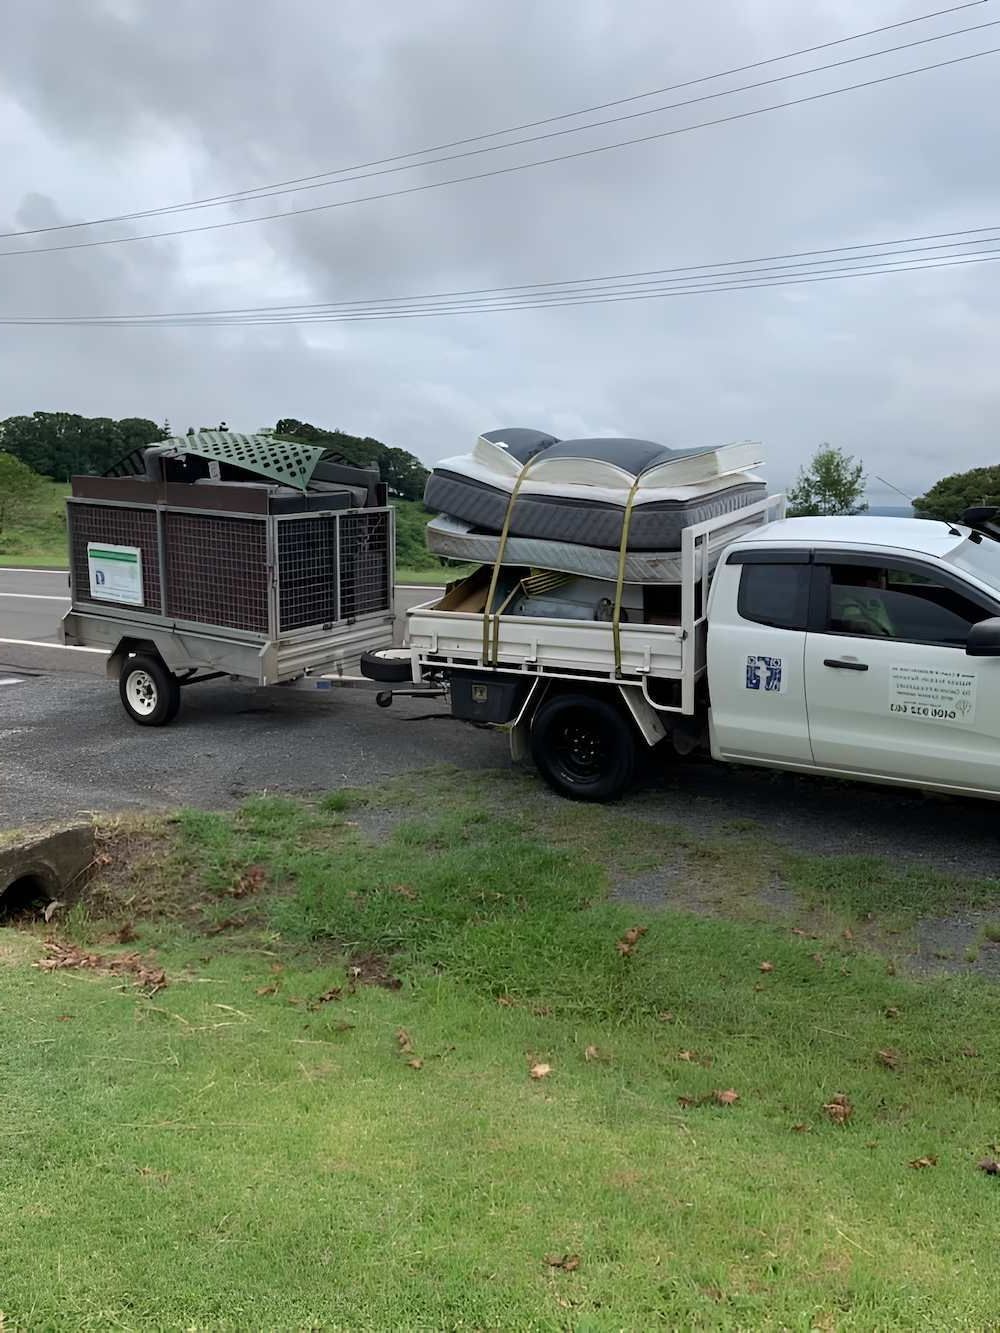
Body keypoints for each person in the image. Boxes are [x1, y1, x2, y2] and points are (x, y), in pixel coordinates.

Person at [830, 566, 896, 636]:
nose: (882, 581)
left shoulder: (874, 596)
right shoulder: (850, 605)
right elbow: (855, 620)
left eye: (883, 576)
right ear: (868, 581)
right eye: (881, 576)